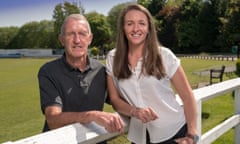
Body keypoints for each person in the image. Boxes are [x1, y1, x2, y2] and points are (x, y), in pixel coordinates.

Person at [106, 4, 198, 144]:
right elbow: (114, 99)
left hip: (174, 133)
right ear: (123, 28)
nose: (136, 29)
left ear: (149, 28)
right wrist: (135, 111)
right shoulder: (112, 58)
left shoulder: (165, 55)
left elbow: (187, 96)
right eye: (130, 23)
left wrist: (192, 135)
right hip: (139, 138)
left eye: (141, 23)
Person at [37, 14, 124, 141]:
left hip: (95, 140)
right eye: (71, 34)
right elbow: (53, 120)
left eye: (82, 34)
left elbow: (121, 101)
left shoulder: (102, 71)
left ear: (90, 38)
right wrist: (91, 115)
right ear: (61, 39)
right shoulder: (48, 71)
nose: (77, 40)